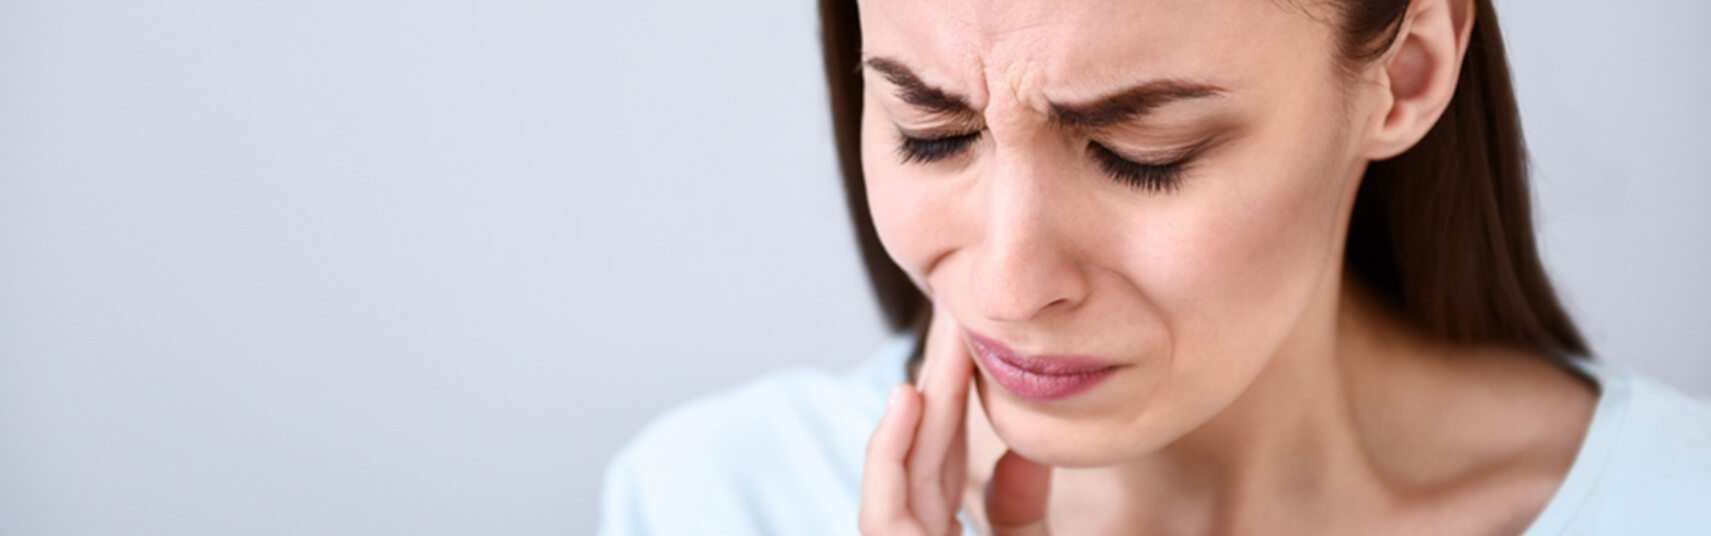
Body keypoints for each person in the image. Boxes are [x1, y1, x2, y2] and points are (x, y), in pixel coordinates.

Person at [599, 0, 1711, 533]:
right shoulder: (714, 499)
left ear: (1407, 71)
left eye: (1140, 155)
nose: (1008, 281)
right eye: (931, 132)